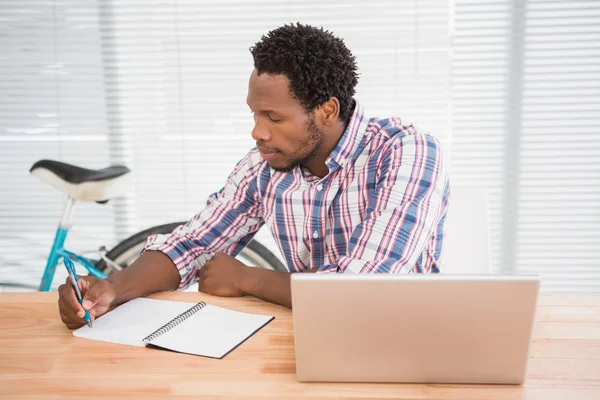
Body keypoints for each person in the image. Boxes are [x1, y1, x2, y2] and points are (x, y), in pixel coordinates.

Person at [58, 23, 450, 329]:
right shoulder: (266, 163)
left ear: (327, 111)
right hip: (310, 331)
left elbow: (365, 290)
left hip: (404, 337)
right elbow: (192, 245)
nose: (258, 132)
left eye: (274, 117)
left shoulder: (406, 152)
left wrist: (250, 280)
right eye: (255, 114)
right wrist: (113, 290)